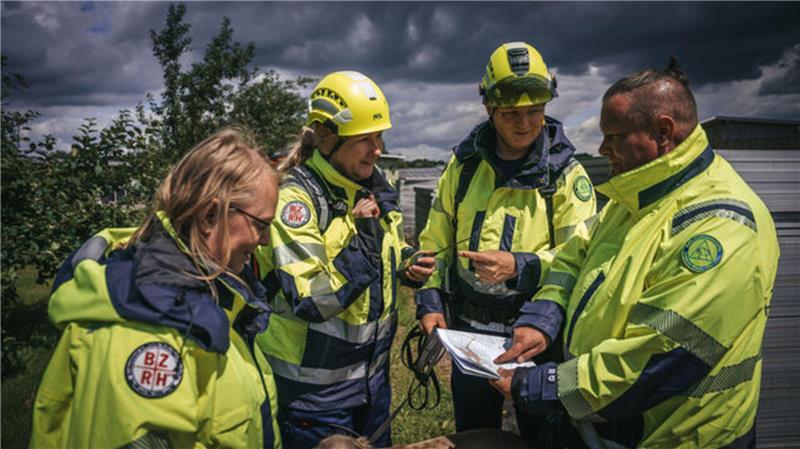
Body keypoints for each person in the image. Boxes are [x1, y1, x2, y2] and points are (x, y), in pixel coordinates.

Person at [492, 61, 780, 448]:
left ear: (663, 131)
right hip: (615, 426)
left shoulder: (721, 227)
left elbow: (657, 359)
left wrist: (542, 386)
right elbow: (571, 261)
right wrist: (542, 318)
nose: (601, 149)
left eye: (613, 136)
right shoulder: (636, 197)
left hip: (678, 437)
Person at [30, 128, 283, 448]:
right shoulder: (149, 326)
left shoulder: (208, 295)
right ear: (210, 215)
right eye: (261, 225)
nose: (265, 240)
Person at [414, 41, 597, 443]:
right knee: (476, 436)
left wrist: (521, 266)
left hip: (534, 340)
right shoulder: (462, 168)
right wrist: (429, 301)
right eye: (512, 113)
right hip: (469, 340)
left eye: (534, 111)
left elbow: (581, 258)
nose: (525, 123)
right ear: (489, 109)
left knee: (541, 438)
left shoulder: (567, 176)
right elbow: (434, 242)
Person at [254, 71, 432, 449]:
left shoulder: (373, 184)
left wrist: (406, 265)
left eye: (380, 136)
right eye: (364, 140)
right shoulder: (296, 200)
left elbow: (390, 249)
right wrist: (364, 245)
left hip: (370, 385)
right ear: (327, 138)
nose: (378, 149)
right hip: (316, 398)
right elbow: (313, 300)